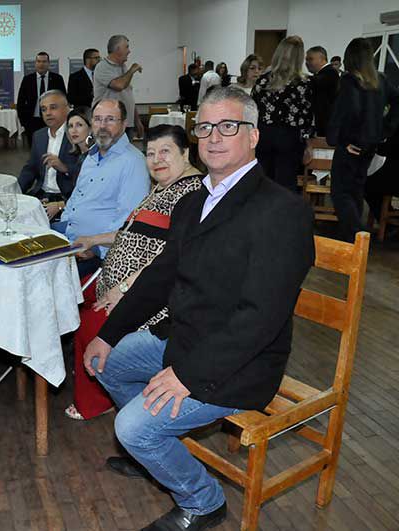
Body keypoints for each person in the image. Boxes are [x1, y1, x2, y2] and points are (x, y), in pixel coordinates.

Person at [84, 86, 315, 531]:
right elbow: (160, 277)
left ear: (253, 135)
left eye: (228, 126)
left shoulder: (282, 211)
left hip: (240, 363)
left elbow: (260, 318)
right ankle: (155, 452)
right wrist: (108, 334)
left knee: (132, 428)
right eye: (205, 127)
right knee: (106, 361)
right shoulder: (193, 201)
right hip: (184, 339)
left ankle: (202, 500)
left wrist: (188, 376)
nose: (214, 137)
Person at [64, 124, 203, 421]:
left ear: (185, 153)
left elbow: (171, 259)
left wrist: (125, 288)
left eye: (165, 151)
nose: (157, 159)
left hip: (148, 300)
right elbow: (131, 232)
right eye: (150, 153)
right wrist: (94, 240)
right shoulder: (163, 187)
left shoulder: (192, 194)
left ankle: (100, 400)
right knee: (68, 297)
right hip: (115, 284)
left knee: (88, 325)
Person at [55, 99, 150, 277]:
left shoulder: (133, 163)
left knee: (40, 276)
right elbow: (76, 198)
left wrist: (96, 247)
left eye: (110, 119)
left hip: (96, 253)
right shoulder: (91, 156)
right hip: (69, 235)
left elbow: (128, 223)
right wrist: (64, 225)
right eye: (98, 119)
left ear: (124, 124)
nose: (102, 126)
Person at [328, 37, 399, 243]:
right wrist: (384, 129)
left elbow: (344, 113)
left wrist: (338, 140)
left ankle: (356, 235)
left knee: (341, 192)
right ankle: (354, 240)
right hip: (370, 145)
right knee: (355, 190)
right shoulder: (381, 81)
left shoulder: (350, 82)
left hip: (350, 145)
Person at [252, 36, 314, 190]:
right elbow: (306, 118)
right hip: (290, 137)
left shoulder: (262, 80)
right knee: (285, 184)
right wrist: (308, 145)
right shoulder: (304, 84)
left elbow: (252, 109)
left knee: (262, 182)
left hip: (264, 135)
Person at [18, 90, 80, 205]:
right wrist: (15, 192)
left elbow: (87, 173)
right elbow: (30, 169)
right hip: (41, 194)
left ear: (67, 109)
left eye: (53, 107)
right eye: (43, 109)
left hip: (67, 198)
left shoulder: (77, 134)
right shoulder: (39, 136)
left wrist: (65, 168)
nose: (48, 113)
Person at [39, 107, 93, 219]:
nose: (74, 130)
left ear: (91, 128)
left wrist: (59, 206)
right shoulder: (77, 154)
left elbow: (88, 197)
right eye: (70, 126)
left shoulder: (93, 158)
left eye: (79, 125)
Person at [93, 35, 144, 140]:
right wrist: (132, 70)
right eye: (127, 47)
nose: (129, 51)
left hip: (126, 123)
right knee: (110, 150)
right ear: (117, 49)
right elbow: (119, 85)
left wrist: (137, 120)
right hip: (109, 124)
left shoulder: (123, 67)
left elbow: (128, 95)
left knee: (126, 151)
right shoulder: (102, 66)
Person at [17, 52, 67, 145]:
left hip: (52, 119)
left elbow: (63, 99)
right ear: (35, 63)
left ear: (48, 63)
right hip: (32, 121)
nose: (41, 64)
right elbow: (20, 102)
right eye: (39, 61)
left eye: (44, 61)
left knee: (53, 146)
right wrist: (24, 122)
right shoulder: (27, 79)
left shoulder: (57, 79)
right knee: (35, 148)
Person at [306, 45, 340, 137]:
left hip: (327, 126)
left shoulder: (330, 72)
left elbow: (315, 82)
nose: (307, 63)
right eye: (306, 60)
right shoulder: (324, 74)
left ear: (321, 59)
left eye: (310, 59)